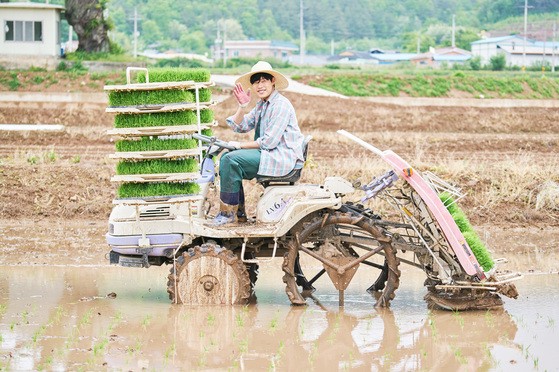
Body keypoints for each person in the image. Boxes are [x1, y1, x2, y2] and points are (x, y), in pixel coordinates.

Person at [213, 61, 305, 225]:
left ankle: (229, 215)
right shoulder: (262, 105)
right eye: (256, 82)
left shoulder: (280, 105)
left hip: (281, 157)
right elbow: (239, 126)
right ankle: (238, 214)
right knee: (228, 157)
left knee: (230, 160)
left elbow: (269, 142)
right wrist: (242, 107)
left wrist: (239, 145)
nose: (260, 85)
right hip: (270, 153)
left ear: (272, 81)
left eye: (264, 81)